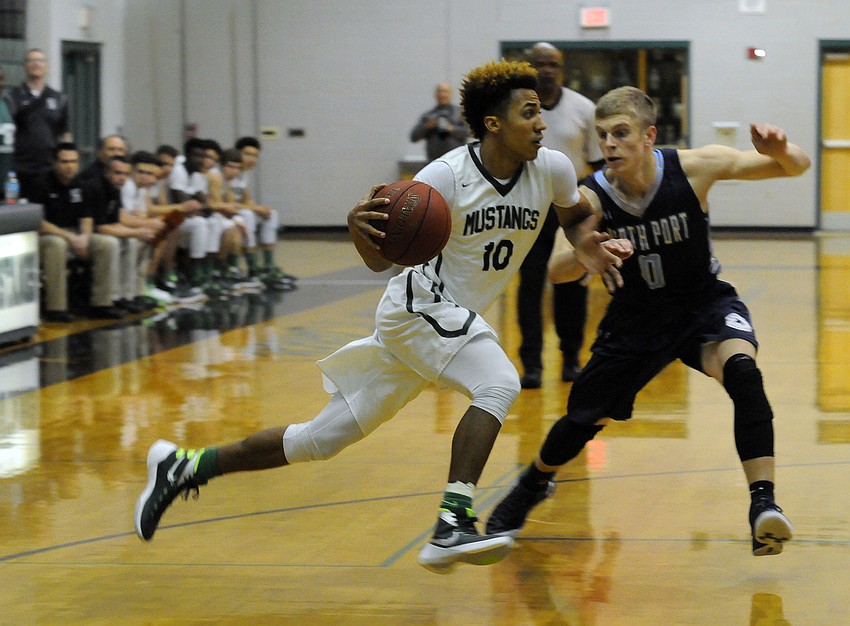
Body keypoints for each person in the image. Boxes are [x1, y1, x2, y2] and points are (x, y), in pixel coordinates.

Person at [133, 59, 630, 573]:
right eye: (530, 113)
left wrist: (585, 246)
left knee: (318, 441)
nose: (542, 122)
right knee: (499, 383)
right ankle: (451, 525)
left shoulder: (552, 168)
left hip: (445, 324)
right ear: (493, 123)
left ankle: (184, 466)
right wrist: (359, 229)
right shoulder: (445, 176)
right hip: (421, 306)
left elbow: (573, 216)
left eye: (541, 112)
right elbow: (382, 260)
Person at [485, 86, 811, 558]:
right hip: (635, 320)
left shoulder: (692, 168)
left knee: (743, 372)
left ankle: (763, 505)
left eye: (621, 133)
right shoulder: (591, 196)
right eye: (602, 136)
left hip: (703, 306)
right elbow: (558, 270)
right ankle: (532, 484)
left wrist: (780, 149)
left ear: (649, 135)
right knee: (581, 420)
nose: (609, 145)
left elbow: (795, 166)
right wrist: (587, 254)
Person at [517, 42, 605, 388]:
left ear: (562, 69)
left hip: (572, 208)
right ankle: (532, 366)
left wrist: (597, 215)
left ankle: (571, 359)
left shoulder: (584, 108)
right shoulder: (516, 110)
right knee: (529, 288)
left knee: (572, 285)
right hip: (527, 208)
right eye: (540, 64)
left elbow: (599, 166)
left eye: (553, 64)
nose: (547, 70)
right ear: (529, 68)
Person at [33, 142, 123, 321]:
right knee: (57, 245)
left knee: (107, 243)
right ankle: (56, 309)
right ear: (55, 163)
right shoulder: (41, 184)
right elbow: (39, 222)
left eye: (73, 161)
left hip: (74, 233)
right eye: (65, 161)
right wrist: (70, 237)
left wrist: (84, 237)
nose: (69, 166)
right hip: (48, 235)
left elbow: (87, 217)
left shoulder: (81, 185)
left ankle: (101, 303)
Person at [87, 155, 159, 313]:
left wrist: (137, 232)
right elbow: (100, 227)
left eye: (125, 174)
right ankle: (107, 300)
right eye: (117, 173)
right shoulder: (96, 188)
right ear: (107, 172)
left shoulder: (116, 190)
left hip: (103, 231)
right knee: (113, 242)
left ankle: (126, 296)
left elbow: (119, 220)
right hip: (87, 233)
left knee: (132, 241)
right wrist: (137, 231)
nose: (121, 178)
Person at [4, 48, 71, 199]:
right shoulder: (12, 98)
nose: (36, 64)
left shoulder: (59, 99)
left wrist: (66, 161)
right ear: (25, 66)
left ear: (47, 67)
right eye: (31, 60)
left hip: (49, 169)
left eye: (40, 60)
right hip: (18, 169)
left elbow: (64, 133)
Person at [233, 136, 296, 289]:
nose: (251, 159)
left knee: (271, 213)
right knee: (248, 216)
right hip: (229, 213)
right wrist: (255, 209)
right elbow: (230, 203)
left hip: (238, 211)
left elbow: (245, 200)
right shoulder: (229, 171)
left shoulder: (244, 174)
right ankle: (253, 268)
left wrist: (260, 209)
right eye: (248, 154)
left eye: (255, 156)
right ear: (238, 154)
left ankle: (268, 266)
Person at [409, 82, 469, 162]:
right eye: (440, 91)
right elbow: (414, 137)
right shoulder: (428, 115)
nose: (442, 94)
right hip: (434, 162)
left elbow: (469, 132)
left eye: (445, 91)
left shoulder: (460, 113)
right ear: (436, 94)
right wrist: (427, 126)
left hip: (457, 162)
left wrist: (451, 129)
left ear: (450, 94)